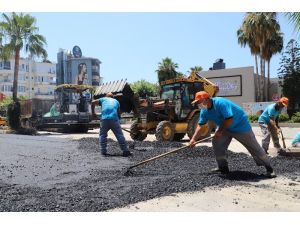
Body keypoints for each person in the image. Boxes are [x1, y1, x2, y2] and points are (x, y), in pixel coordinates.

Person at [189, 91, 276, 178]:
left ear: (206, 99)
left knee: (254, 147)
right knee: (217, 143)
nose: (198, 104)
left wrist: (219, 131)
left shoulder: (220, 103)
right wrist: (193, 139)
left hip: (240, 126)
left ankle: (269, 169)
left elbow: (229, 119)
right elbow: (200, 125)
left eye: (199, 102)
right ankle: (223, 167)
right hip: (225, 127)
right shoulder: (204, 111)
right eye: (197, 102)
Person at [92, 92, 132, 157]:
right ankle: (125, 151)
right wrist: (117, 123)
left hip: (104, 119)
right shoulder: (116, 101)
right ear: (113, 97)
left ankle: (103, 151)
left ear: (106, 96)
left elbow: (93, 102)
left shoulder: (103, 99)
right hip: (114, 119)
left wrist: (93, 113)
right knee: (119, 135)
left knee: (102, 135)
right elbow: (118, 114)